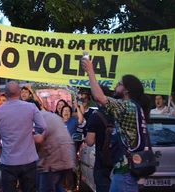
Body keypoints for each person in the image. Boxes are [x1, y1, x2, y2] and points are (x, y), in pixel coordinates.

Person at [82, 58, 151, 192]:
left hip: (125, 173)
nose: (115, 87)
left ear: (126, 90)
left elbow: (99, 97)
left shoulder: (128, 106)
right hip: (123, 172)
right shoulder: (134, 107)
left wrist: (90, 71)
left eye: (119, 84)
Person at [0, 81, 47, 192]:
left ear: (5, 94)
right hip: (28, 159)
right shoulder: (31, 107)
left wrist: (2, 156)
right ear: (20, 92)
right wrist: (33, 133)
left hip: (8, 161)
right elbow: (42, 126)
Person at [27, 99, 76, 192]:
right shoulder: (49, 115)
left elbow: (38, 139)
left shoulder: (38, 118)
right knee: (56, 186)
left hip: (53, 160)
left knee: (45, 188)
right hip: (66, 156)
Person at [85, 85, 114, 192]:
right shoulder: (119, 113)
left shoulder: (95, 116)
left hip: (103, 160)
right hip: (121, 159)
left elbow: (90, 142)